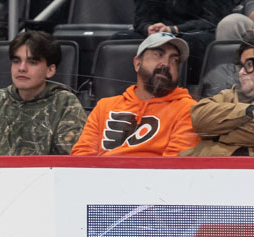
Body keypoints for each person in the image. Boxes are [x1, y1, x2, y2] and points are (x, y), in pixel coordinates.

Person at [0, 31, 86, 156]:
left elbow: (72, 161)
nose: (22, 68)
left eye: (32, 62)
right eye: (16, 61)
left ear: (50, 70)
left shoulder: (65, 103)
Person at [72, 33, 200, 157]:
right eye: (158, 55)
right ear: (137, 63)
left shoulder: (188, 109)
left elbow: (175, 165)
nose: (166, 64)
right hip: (101, 172)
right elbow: (82, 157)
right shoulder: (104, 107)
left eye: (174, 60)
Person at [181, 34, 254, 156]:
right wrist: (249, 111)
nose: (241, 72)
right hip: (206, 164)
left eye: (249, 65)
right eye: (241, 66)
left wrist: (216, 133)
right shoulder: (229, 95)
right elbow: (198, 118)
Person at [129, 0, 238, 82]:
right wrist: (148, 27)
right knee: (126, 38)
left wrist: (175, 29)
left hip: (199, 31)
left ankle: (192, 90)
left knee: (193, 41)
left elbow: (213, 19)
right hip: (162, 30)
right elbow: (141, 18)